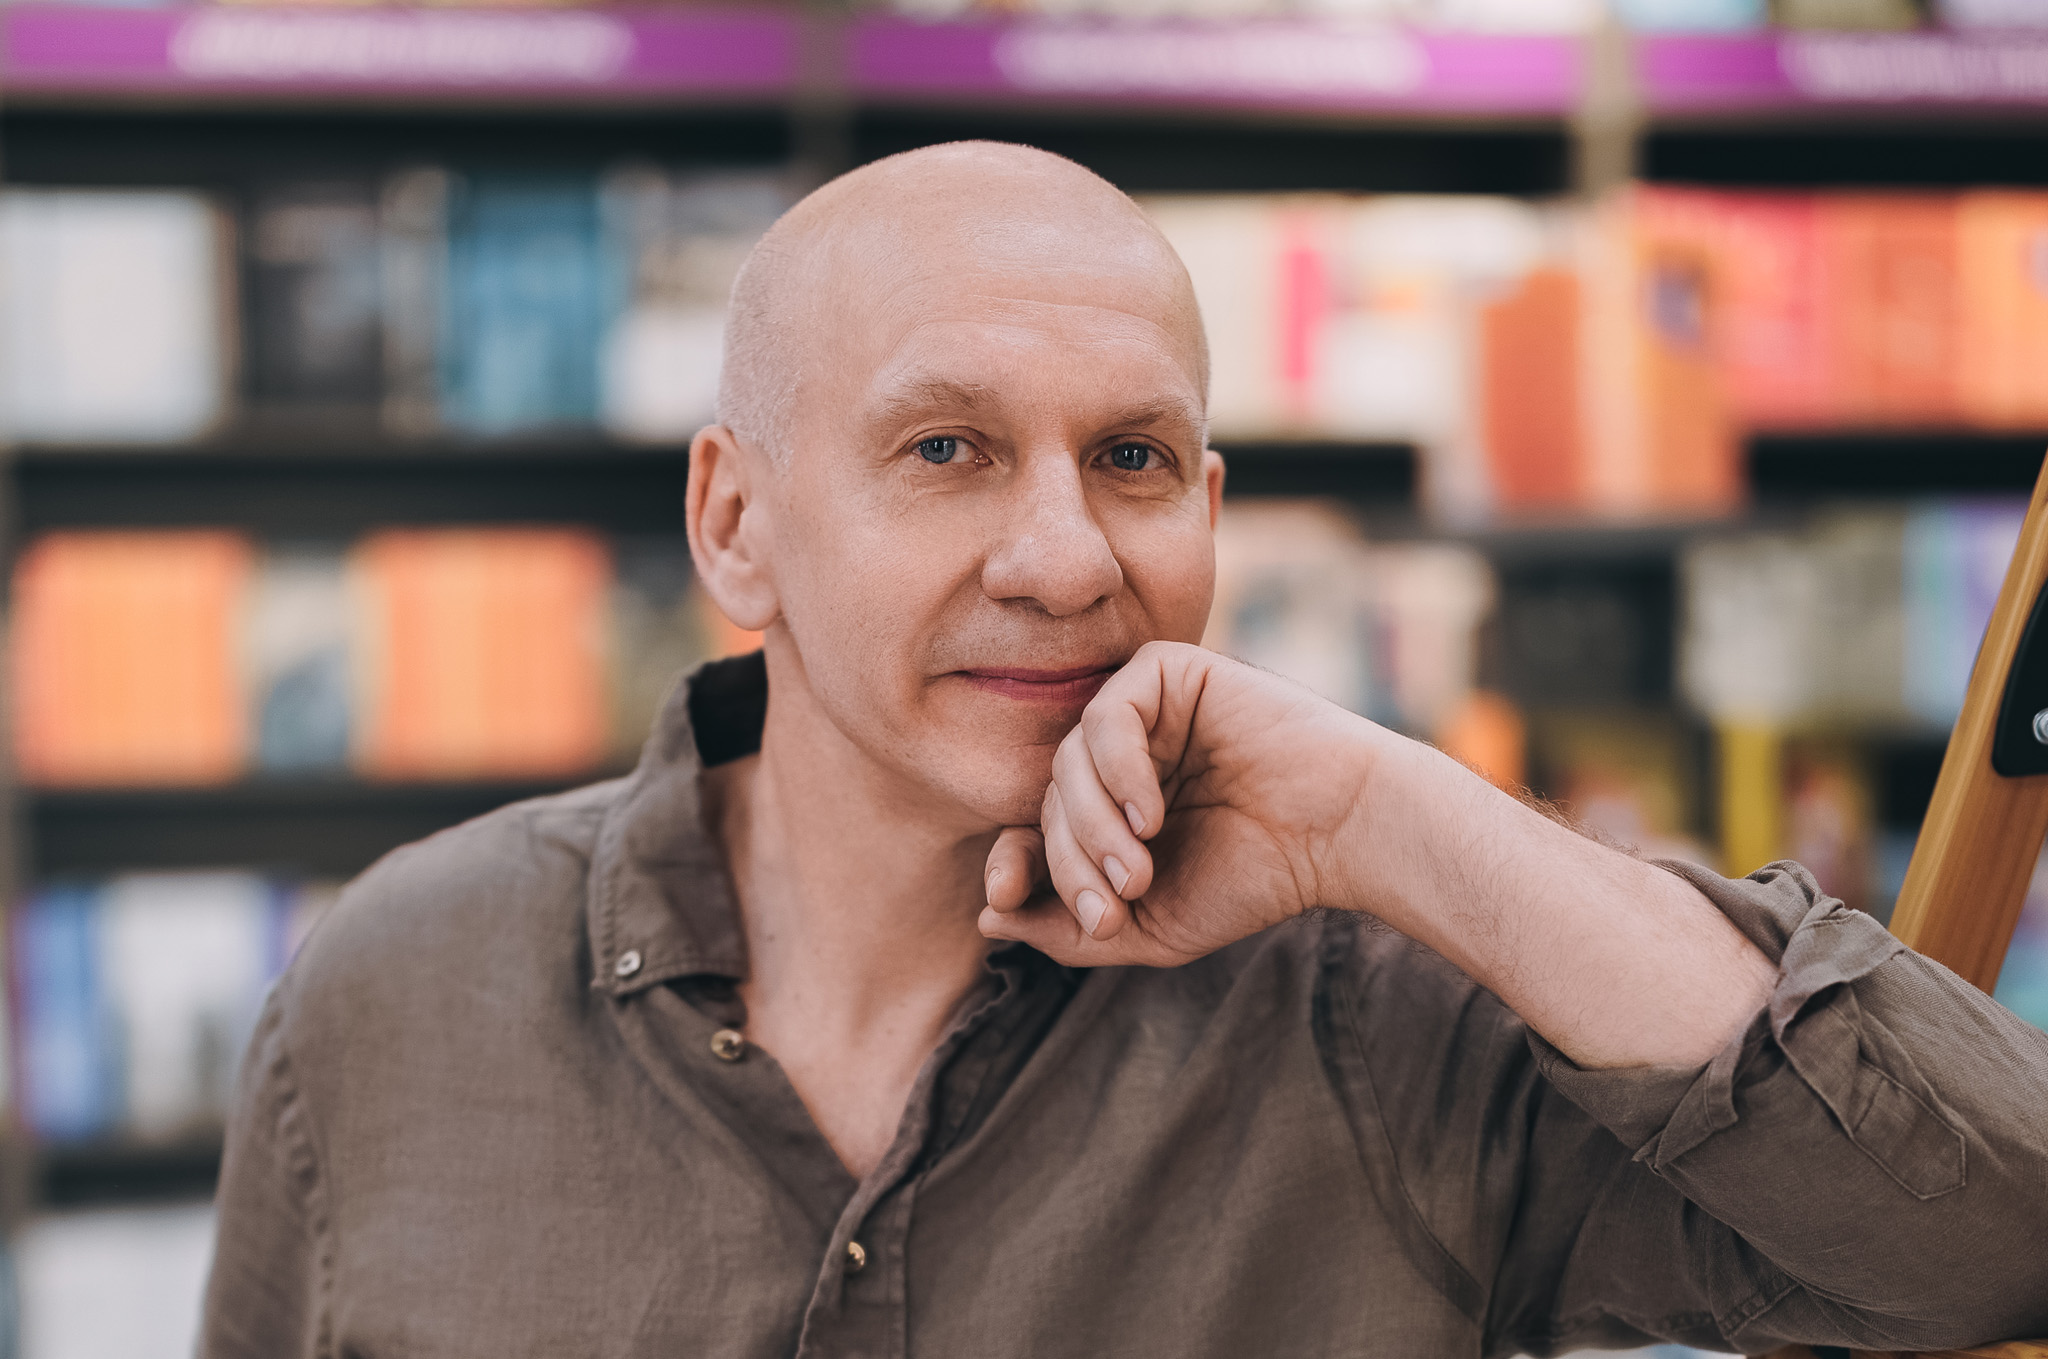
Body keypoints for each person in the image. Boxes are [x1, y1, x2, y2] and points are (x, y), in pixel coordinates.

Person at [201, 142, 2048, 1359]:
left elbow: (1998, 1242)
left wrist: (1387, 809)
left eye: (1133, 461)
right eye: (947, 450)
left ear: (1211, 515)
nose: (1067, 559)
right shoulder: (400, 992)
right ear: (734, 524)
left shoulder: (1384, 1007)